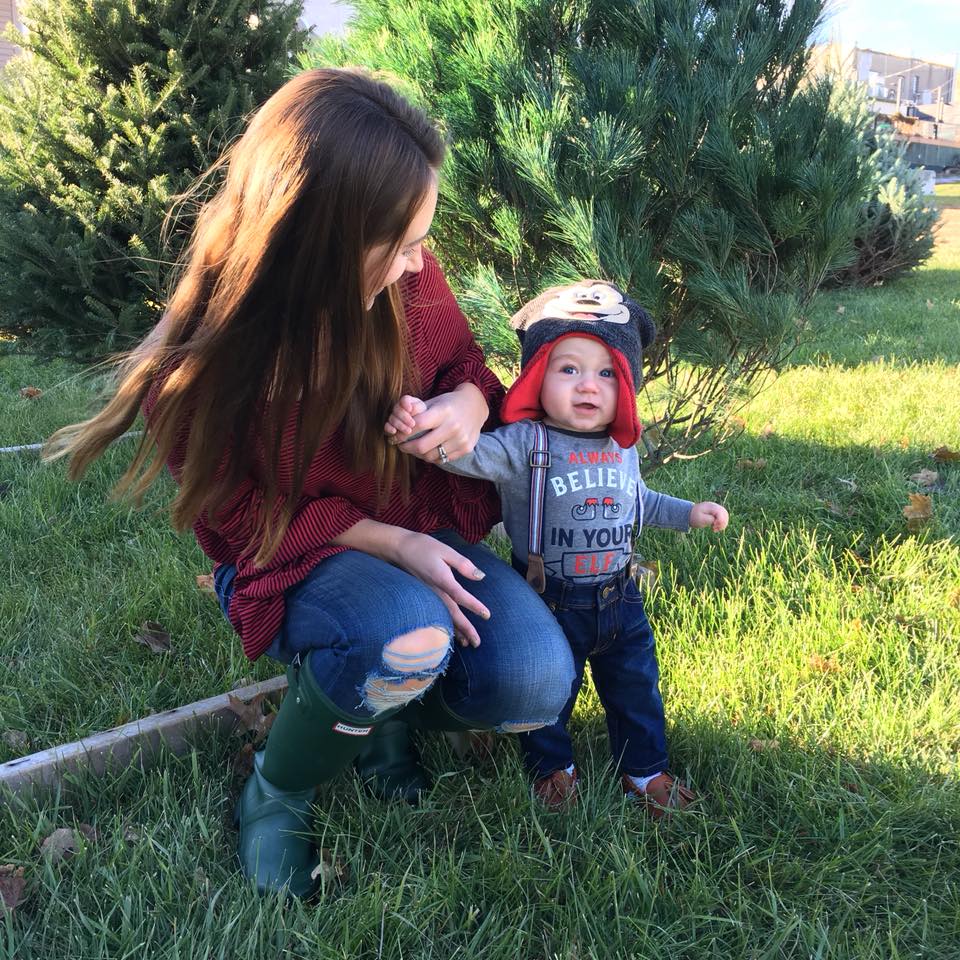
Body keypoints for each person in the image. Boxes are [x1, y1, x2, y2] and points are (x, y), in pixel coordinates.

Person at [45, 68, 575, 897]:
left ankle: (371, 717)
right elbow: (238, 518)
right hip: (290, 552)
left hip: (411, 524)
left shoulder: (409, 284)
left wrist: (468, 407)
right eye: (400, 245)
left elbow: (469, 366)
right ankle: (279, 786)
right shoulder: (207, 363)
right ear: (317, 240)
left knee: (535, 678)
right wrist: (391, 542)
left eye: (420, 240)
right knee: (401, 633)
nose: (417, 264)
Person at [386, 281, 729, 815]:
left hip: (620, 598)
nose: (587, 386)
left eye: (606, 373)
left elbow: (640, 502)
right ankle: (553, 769)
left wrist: (688, 513)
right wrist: (424, 434)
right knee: (551, 694)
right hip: (551, 598)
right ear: (537, 376)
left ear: (628, 384)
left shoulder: (622, 446)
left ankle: (644, 770)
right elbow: (468, 454)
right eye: (568, 369)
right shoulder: (528, 444)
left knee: (636, 690)